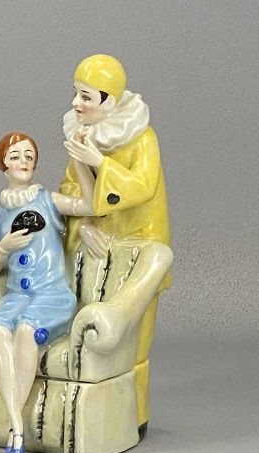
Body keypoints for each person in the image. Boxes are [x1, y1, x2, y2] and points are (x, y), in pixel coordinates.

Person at [0, 132, 94, 453]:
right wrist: (4, 248)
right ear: (3, 163)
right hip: (17, 296)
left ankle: (14, 430)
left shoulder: (47, 199)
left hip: (50, 295)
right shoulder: (0, 215)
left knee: (26, 330)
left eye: (29, 156)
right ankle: (17, 426)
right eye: (16, 156)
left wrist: (81, 163)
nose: (24, 162)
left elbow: (89, 205)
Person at [61, 54, 171, 288]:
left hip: (137, 238)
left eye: (85, 97)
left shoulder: (142, 139)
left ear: (109, 103)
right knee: (84, 298)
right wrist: (82, 227)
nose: (75, 103)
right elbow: (70, 187)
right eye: (76, 93)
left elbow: (143, 187)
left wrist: (101, 163)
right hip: (93, 240)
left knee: (130, 299)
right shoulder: (83, 135)